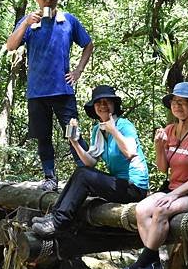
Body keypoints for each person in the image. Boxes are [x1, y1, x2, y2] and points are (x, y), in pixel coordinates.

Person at [118, 82, 188, 269]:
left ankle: (141, 263)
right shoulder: (169, 130)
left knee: (161, 210)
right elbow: (163, 168)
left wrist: (173, 196)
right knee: (141, 209)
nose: (177, 106)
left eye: (183, 102)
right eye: (174, 101)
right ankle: (153, 261)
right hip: (172, 188)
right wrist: (158, 146)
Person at [6, 0, 94, 191]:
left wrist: (78, 71)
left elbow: (88, 44)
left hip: (63, 90)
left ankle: (87, 176)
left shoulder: (68, 21)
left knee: (73, 132)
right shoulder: (29, 22)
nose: (48, 0)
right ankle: (49, 177)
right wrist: (26, 23)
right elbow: (10, 46)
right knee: (42, 135)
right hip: (37, 91)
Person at [32, 85, 149, 237]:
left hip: (134, 188)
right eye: (98, 103)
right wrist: (74, 141)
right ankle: (55, 216)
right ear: (94, 107)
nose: (102, 106)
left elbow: (130, 153)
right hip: (118, 184)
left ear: (114, 105)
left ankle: (58, 223)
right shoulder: (98, 130)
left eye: (107, 102)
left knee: (83, 175)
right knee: (81, 172)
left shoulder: (124, 125)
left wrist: (113, 130)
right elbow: (90, 162)